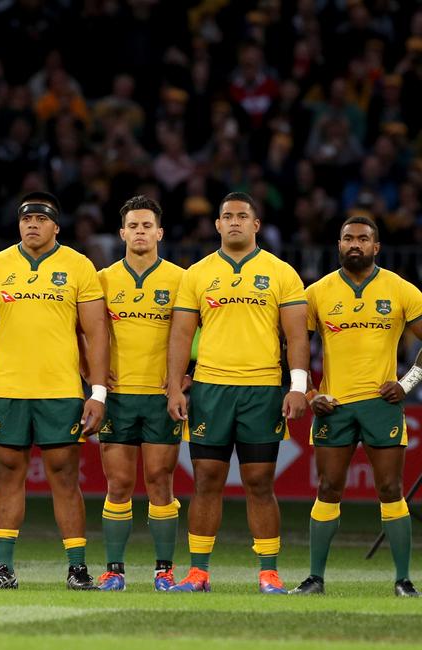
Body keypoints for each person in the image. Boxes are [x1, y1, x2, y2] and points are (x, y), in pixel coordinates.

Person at [0, 191, 109, 591]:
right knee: (7, 476)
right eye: (26, 218)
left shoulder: (79, 266)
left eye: (41, 219)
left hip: (60, 391)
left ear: (56, 226)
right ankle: (2, 569)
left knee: (64, 477)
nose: (32, 224)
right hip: (7, 390)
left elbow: (96, 334)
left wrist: (97, 392)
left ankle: (77, 569)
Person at [166, 192, 310, 594]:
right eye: (227, 216)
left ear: (256, 225)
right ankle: (197, 573)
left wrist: (297, 386)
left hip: (262, 390)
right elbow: (180, 334)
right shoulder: (197, 273)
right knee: (206, 479)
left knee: (260, 482)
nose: (234, 222)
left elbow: (296, 335)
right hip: (211, 389)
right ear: (217, 225)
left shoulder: (281, 272)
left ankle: (268, 573)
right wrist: (175, 385)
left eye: (242, 216)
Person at [296, 215, 420, 597]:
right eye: (348, 238)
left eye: (363, 239)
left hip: (381, 405)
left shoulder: (400, 289)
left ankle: (403, 581)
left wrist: (408, 383)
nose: (355, 244)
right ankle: (315, 579)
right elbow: (295, 347)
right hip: (333, 407)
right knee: (328, 486)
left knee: (390, 487)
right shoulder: (316, 292)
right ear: (338, 245)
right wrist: (310, 393)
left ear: (376, 247)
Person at [94, 196, 186, 591]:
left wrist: (188, 378)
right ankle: (114, 570)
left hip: (160, 396)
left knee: (160, 480)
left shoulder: (182, 279)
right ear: (122, 233)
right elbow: (86, 334)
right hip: (117, 396)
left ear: (159, 232)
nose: (140, 232)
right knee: (118, 484)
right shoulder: (102, 279)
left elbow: (198, 334)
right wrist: (91, 375)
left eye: (147, 226)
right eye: (133, 226)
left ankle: (163, 571)